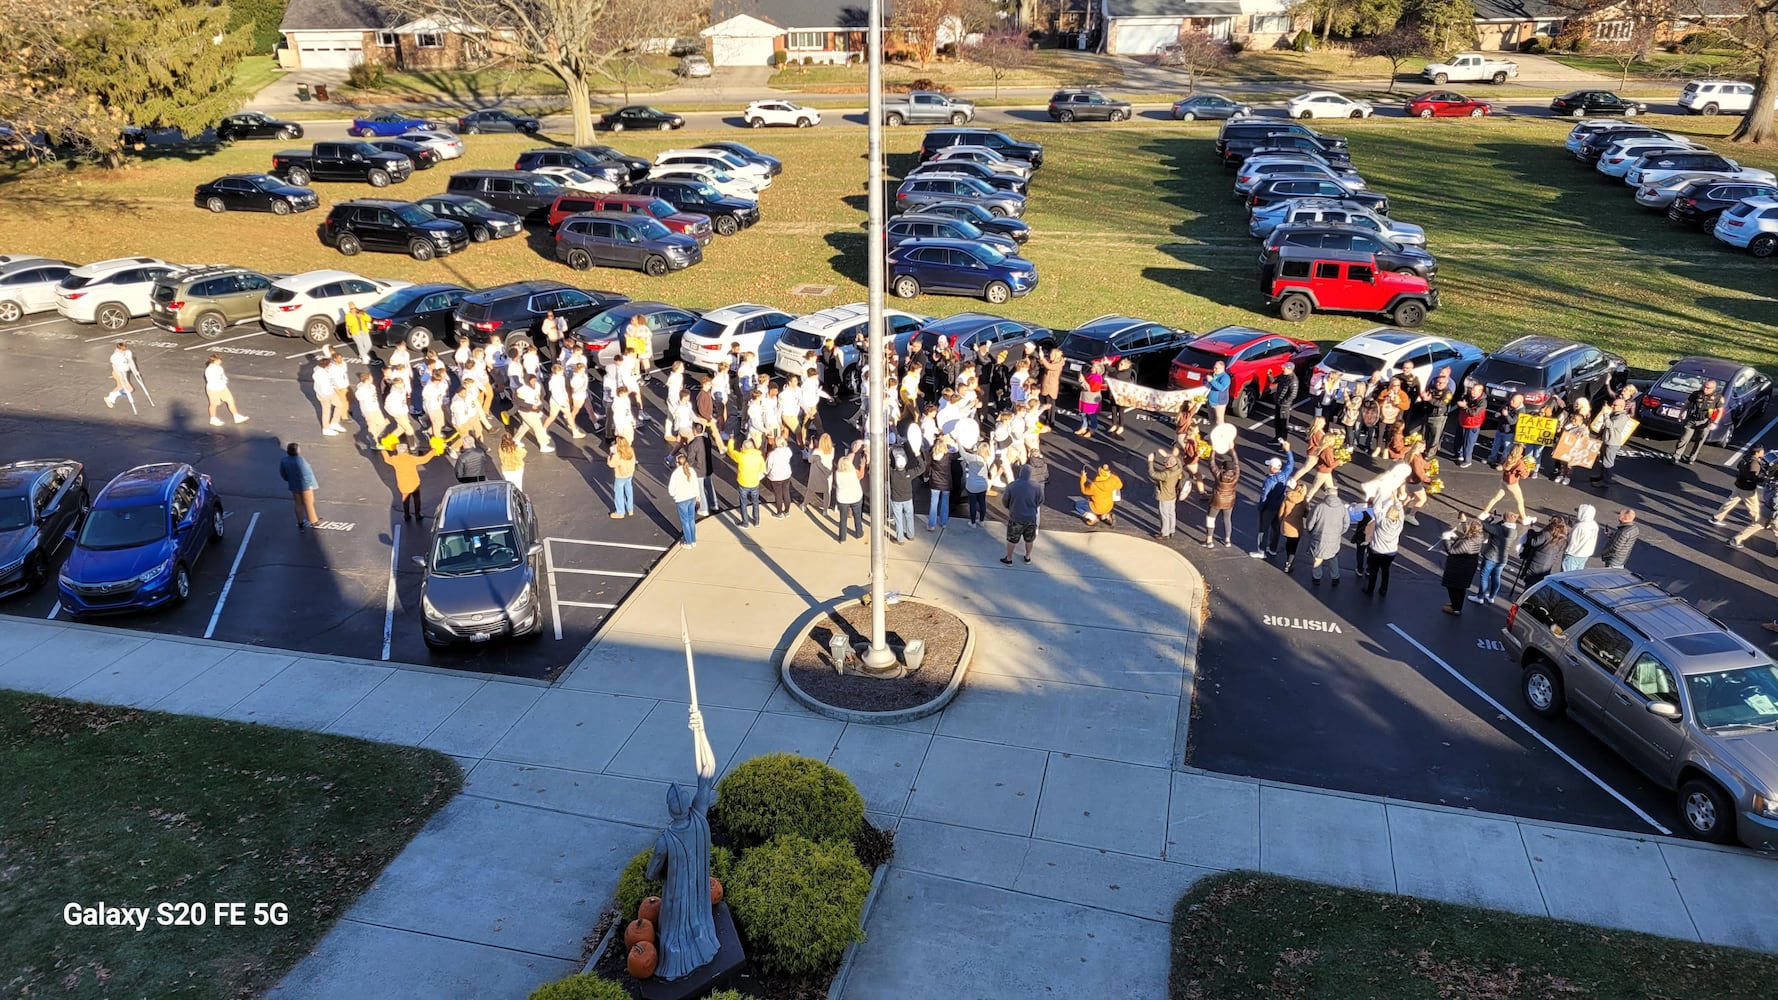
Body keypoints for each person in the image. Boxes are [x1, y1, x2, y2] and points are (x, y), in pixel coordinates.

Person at [1439, 515, 1487, 615]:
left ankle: (1456, 608)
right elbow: (1467, 533)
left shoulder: (1467, 542)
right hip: (1468, 567)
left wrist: (1446, 539)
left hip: (1459, 568)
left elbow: (1452, 551)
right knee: (1461, 588)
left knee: (1452, 587)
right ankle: (1457, 605)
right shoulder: (1478, 536)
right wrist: (1464, 523)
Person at [1472, 512, 1524, 605]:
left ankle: (1480, 597)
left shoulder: (1498, 528)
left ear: (1504, 519)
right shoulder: (1514, 532)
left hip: (1491, 557)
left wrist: (1491, 519)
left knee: (1484, 577)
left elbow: (1484, 525)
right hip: (1502, 559)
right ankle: (1491, 597)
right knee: (1496, 578)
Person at [1252, 448, 1295, 557]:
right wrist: (1288, 450)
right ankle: (1273, 548)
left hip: (1269, 508)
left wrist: (1260, 508)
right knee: (1276, 528)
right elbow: (1290, 463)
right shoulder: (1284, 475)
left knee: (1263, 529)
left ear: (1272, 467)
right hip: (1279, 506)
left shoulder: (1269, 481)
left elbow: (1264, 496)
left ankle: (1261, 551)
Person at [1363, 492, 1406, 598]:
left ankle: (1370, 590)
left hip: (1376, 551)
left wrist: (1379, 493)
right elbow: (1401, 511)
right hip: (1390, 552)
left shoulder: (1381, 521)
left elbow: (1377, 507)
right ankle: (1383, 590)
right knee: (1385, 571)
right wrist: (1396, 499)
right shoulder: (1399, 524)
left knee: (1373, 571)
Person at [1673, 378, 1724, 464]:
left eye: (1708, 388)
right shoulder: (1696, 394)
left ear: (1714, 388)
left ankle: (1692, 458)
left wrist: (1715, 422)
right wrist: (1681, 413)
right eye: (1704, 386)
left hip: (1704, 422)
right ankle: (1676, 456)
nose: (1705, 389)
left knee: (1700, 441)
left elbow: (1720, 411)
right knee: (1684, 439)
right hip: (1691, 420)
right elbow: (1686, 404)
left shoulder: (1718, 397)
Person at [381, 439, 435, 521]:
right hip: (414, 483)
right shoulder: (411, 459)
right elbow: (425, 459)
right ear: (406, 450)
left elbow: (386, 459)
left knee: (405, 499)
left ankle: (406, 515)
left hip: (403, 484)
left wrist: (383, 449)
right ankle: (417, 514)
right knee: (416, 498)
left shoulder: (394, 459)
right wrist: (433, 451)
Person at [1303, 487, 1346, 587]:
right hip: (1334, 539)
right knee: (1333, 557)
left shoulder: (1319, 507)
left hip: (1319, 538)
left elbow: (1310, 522)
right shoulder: (1342, 508)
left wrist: (1311, 531)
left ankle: (1317, 578)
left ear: (1326, 494)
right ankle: (1335, 577)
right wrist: (1339, 533)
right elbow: (1346, 523)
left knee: (1318, 557)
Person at [1001, 464, 1043, 565]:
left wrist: (1010, 508)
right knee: (1029, 539)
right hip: (1031, 518)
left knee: (1012, 539)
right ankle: (1027, 557)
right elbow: (1040, 501)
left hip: (1016, 518)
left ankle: (1009, 559)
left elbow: (1005, 501)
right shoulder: (1037, 487)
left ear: (1020, 473)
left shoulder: (1012, 486)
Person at [1717, 446, 1769, 525]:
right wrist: (1763, 480)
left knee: (1730, 502)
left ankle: (1716, 517)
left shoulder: (1746, 458)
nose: (1763, 453)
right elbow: (1752, 477)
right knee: (1753, 506)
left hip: (1738, 484)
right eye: (1762, 451)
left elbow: (1739, 466)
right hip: (1747, 488)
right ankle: (1757, 522)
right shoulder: (1754, 463)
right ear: (1757, 453)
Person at [1590, 397, 1633, 486]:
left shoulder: (1622, 417)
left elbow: (1609, 425)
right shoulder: (1614, 414)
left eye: (1615, 405)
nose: (1612, 406)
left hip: (1612, 443)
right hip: (1605, 440)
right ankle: (1602, 476)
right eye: (1612, 404)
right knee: (1602, 460)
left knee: (1608, 463)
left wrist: (1605, 414)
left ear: (1622, 407)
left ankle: (1605, 482)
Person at [724, 433, 765, 528]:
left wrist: (731, 440)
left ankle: (745, 523)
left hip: (743, 483)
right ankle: (756, 521)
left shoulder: (741, 456)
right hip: (754, 483)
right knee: (755, 502)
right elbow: (763, 470)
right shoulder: (759, 456)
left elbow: (730, 452)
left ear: (743, 448)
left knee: (743, 503)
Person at [1479, 446, 1530, 519]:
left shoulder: (1507, 458)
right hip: (1513, 484)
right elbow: (1523, 476)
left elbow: (1501, 465)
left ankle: (1484, 513)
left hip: (1504, 481)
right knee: (1520, 501)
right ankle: (1524, 518)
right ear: (1521, 454)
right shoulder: (1520, 463)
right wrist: (1528, 470)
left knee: (1495, 498)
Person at [1520, 515, 1568, 592]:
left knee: (1530, 583)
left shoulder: (1547, 533)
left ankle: (1525, 598)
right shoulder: (1563, 538)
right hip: (1548, 564)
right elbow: (1561, 549)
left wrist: (1531, 532)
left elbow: (1534, 542)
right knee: (1539, 583)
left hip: (1536, 562)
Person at [279, 443, 319, 531]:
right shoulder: (301, 460)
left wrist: (288, 480)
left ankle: (300, 522)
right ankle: (314, 521)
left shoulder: (284, 461)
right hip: (305, 485)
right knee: (309, 503)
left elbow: (283, 473)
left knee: (298, 503)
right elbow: (307, 474)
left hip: (293, 485)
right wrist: (311, 485)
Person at [886, 441, 919, 542]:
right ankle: (910, 534)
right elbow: (921, 467)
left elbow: (885, 465)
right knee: (909, 517)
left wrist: (889, 453)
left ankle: (900, 539)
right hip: (908, 498)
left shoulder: (892, 473)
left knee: (898, 519)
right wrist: (918, 455)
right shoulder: (909, 473)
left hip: (896, 500)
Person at [203, 355, 249, 426]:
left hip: (222, 387)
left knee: (230, 401)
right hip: (213, 389)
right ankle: (213, 419)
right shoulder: (210, 370)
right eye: (219, 360)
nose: (221, 361)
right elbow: (214, 379)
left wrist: (224, 380)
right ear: (215, 361)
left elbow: (222, 376)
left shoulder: (219, 367)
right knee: (213, 404)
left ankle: (236, 416)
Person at [1148, 447, 1183, 540]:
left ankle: (1164, 533)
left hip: (1164, 496)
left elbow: (1153, 474)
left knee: (1164, 515)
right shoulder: (1178, 469)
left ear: (1168, 465)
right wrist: (1171, 456)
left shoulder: (1166, 474)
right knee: (1171, 513)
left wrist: (1150, 462)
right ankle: (1172, 530)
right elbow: (1179, 462)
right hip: (1172, 495)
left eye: (1165, 463)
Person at [667, 453, 699, 547]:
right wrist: (697, 495)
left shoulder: (676, 474)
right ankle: (693, 540)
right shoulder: (691, 471)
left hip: (681, 500)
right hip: (691, 498)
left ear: (677, 463)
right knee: (691, 519)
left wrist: (674, 495)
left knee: (685, 521)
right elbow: (696, 484)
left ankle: (688, 542)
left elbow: (671, 489)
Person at [1421, 367, 1455, 455]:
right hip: (1428, 413)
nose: (1438, 383)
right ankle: (1422, 450)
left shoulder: (1448, 391)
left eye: (1441, 383)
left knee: (1435, 437)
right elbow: (1428, 391)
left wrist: (1429, 399)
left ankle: (1429, 455)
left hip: (1438, 416)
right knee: (1424, 434)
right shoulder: (1433, 383)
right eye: (1438, 382)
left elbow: (1442, 403)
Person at [1488, 392, 1526, 466]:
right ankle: (1491, 459)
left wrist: (1506, 415)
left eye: (1513, 401)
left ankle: (1503, 463)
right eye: (1511, 400)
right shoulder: (1507, 405)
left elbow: (1512, 422)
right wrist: (1498, 414)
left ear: (1519, 402)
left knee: (1507, 449)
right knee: (1495, 445)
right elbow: (1499, 411)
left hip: (1509, 432)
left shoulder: (1521, 411)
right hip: (1500, 429)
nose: (1511, 402)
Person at [1277, 480, 1307, 573]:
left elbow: (1281, 512)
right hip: (1296, 527)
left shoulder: (1287, 497)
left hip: (1286, 525)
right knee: (1293, 547)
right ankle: (1288, 564)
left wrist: (1281, 521)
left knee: (1288, 542)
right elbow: (1306, 514)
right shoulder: (1303, 501)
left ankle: (1287, 558)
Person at [1454, 384, 1487, 468]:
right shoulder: (1467, 396)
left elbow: (1474, 413)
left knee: (1468, 444)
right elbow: (1460, 401)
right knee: (1459, 440)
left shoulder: (1482, 402)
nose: (1472, 392)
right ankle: (1459, 455)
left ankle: (1467, 460)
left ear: (1480, 392)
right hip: (1463, 422)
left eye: (1474, 390)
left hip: (1473, 425)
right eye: (1472, 389)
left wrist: (1465, 406)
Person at [834, 452, 864, 541]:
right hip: (855, 497)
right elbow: (861, 475)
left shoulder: (837, 474)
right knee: (857, 516)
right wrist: (862, 465)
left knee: (843, 518)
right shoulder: (854, 472)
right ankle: (859, 533)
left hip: (842, 499)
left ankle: (842, 537)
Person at [765, 434, 795, 519]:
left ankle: (779, 513)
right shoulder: (788, 451)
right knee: (786, 492)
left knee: (778, 495)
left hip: (776, 477)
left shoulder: (772, 454)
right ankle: (787, 511)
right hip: (786, 475)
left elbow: (768, 466)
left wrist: (766, 473)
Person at [961, 442, 990, 528]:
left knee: (972, 504)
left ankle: (973, 522)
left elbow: (963, 453)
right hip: (983, 485)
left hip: (972, 486)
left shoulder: (973, 458)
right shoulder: (988, 459)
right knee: (982, 503)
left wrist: (959, 441)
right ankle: (981, 521)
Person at [1563, 504, 1599, 571]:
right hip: (1585, 555)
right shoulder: (1594, 525)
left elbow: (1572, 541)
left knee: (1566, 577)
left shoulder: (1580, 526)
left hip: (1573, 555)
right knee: (1576, 576)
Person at [608, 437, 636, 519]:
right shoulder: (630, 450)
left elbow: (611, 464)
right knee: (629, 490)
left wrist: (610, 454)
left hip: (620, 476)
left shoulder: (618, 454)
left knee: (619, 492)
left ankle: (620, 512)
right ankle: (630, 509)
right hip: (629, 474)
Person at [1270, 363, 1298, 444]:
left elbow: (1293, 395)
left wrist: (1283, 402)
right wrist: (1270, 375)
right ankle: (1277, 439)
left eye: (1285, 368)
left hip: (1284, 406)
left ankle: (1283, 442)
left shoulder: (1293, 380)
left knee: (1283, 424)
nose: (1283, 369)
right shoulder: (1283, 375)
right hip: (1278, 403)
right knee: (1277, 422)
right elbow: (1274, 380)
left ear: (1290, 369)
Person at [104, 342, 136, 408]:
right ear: (119, 349)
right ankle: (109, 398)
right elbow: (117, 367)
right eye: (122, 350)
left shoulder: (125, 353)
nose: (123, 352)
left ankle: (110, 398)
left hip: (123, 373)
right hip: (118, 373)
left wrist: (134, 370)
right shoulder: (115, 357)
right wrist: (123, 378)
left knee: (122, 387)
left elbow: (129, 361)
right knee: (128, 388)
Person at [1205, 361, 1232, 425]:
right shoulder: (1212, 374)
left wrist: (1211, 380)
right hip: (1210, 401)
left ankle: (1220, 434)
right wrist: (1206, 380)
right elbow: (1205, 383)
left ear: (1222, 368)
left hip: (1219, 403)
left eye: (1216, 368)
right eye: (1214, 368)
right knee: (1211, 419)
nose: (1214, 370)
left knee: (1219, 420)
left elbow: (1221, 388)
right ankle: (1212, 433)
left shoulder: (1225, 378)